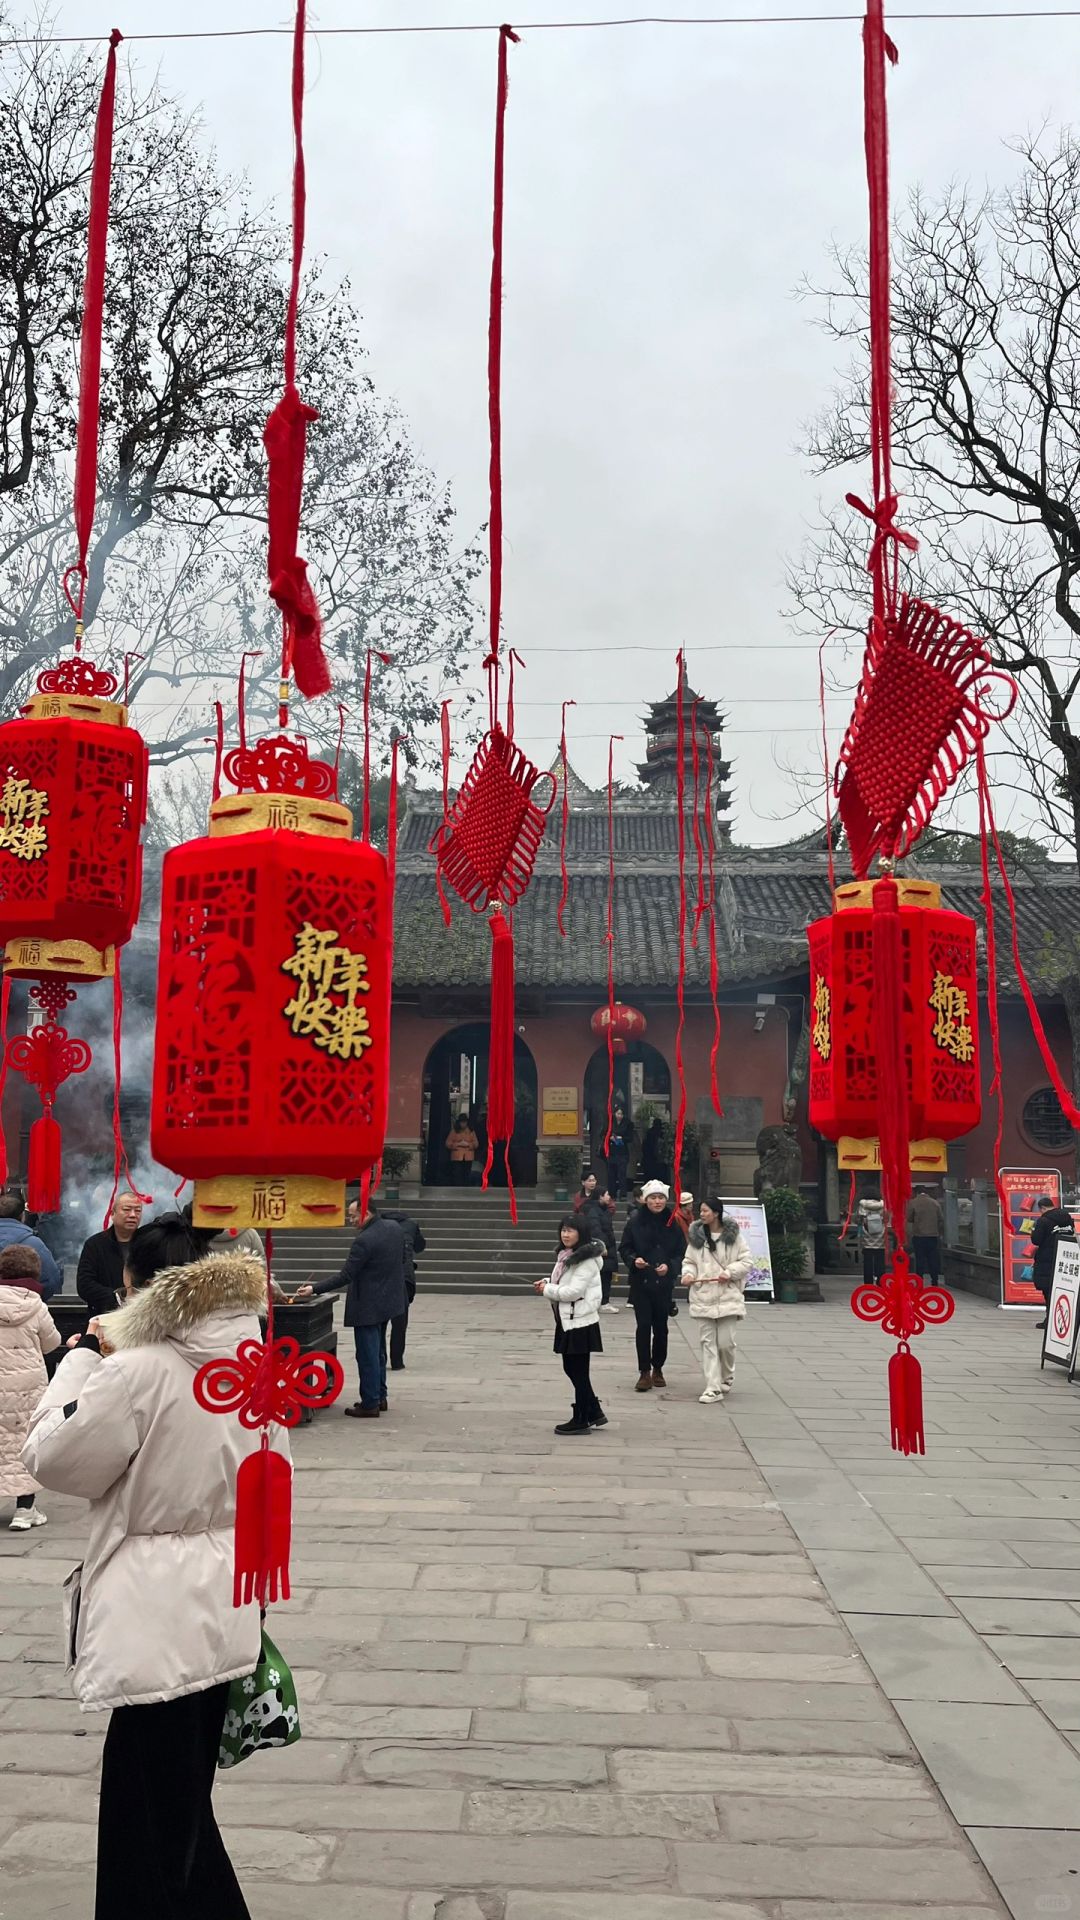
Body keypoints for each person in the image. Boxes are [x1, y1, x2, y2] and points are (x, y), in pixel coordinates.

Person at [23, 1212, 277, 1919]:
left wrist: (79, 1360)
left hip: (152, 1616)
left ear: (136, 1287)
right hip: (226, 1602)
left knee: (141, 1816)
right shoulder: (251, 1362)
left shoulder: (133, 1371)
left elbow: (51, 1458)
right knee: (178, 1798)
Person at [297, 1203, 407, 1418]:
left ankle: (370, 1403)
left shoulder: (364, 1241)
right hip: (388, 1300)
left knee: (367, 1355)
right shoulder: (394, 1228)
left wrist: (314, 1288)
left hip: (367, 1304)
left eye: (353, 1216)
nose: (350, 1221)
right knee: (378, 1352)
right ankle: (379, 1396)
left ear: (366, 1213)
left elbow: (345, 1276)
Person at [0, 1245, 60, 1529]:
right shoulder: (36, 1305)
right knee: (23, 1441)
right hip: (26, 1388)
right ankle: (25, 1510)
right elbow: (51, 1343)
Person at [534, 1217, 606, 1434]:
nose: (566, 1235)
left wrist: (548, 1289)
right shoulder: (566, 1256)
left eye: (571, 1231)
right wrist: (548, 1281)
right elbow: (563, 1282)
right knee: (574, 1369)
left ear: (581, 1233)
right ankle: (593, 1410)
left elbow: (572, 1292)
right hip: (568, 1318)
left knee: (577, 1370)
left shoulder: (585, 1260)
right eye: (563, 1230)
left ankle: (582, 1417)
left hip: (579, 1321)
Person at [682, 1197, 752, 1404]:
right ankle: (712, 1387)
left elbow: (747, 1261)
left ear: (716, 1213)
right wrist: (687, 1274)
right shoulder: (696, 1237)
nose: (701, 1214)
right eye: (700, 1211)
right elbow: (689, 1261)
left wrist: (730, 1272)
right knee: (707, 1343)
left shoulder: (734, 1237)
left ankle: (726, 1376)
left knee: (726, 1343)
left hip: (728, 1294)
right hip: (703, 1294)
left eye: (705, 1211)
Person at [620, 1179, 686, 1391]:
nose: (657, 1202)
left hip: (664, 1283)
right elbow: (625, 1248)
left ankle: (658, 1367)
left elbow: (680, 1252)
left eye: (660, 1198)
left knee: (661, 1328)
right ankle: (644, 1371)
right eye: (653, 1198)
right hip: (641, 1282)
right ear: (645, 1200)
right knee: (643, 1327)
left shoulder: (672, 1223)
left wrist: (670, 1266)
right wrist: (633, 1260)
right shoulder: (635, 1221)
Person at [76, 1190, 144, 1317]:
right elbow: (84, 1285)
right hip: (104, 1316)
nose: (133, 1215)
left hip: (141, 1317)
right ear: (112, 1214)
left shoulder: (148, 1243)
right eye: (127, 1209)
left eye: (138, 1211)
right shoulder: (95, 1244)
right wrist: (118, 1297)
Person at [381, 1204, 426, 1369]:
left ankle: (381, 1359)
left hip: (382, 1278)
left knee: (380, 1322)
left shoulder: (379, 1224)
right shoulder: (411, 1224)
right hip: (404, 1278)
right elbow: (420, 1246)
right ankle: (397, 1361)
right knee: (400, 1322)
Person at [0, 1188, 62, 1301]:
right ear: (22, 1216)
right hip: (25, 1310)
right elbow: (51, 1280)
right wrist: (32, 1301)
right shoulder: (34, 1244)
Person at [1031, 1195, 1078, 1329]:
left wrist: (1032, 1230)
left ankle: (1050, 1319)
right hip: (1065, 1257)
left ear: (1043, 1208)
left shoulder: (1043, 1220)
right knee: (1062, 1290)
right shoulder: (1067, 1217)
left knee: (1048, 1290)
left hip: (1047, 1259)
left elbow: (1036, 1240)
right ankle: (1063, 1318)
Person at [574, 1173, 619, 1312]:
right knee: (602, 1276)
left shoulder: (601, 1209)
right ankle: (602, 1302)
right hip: (602, 1249)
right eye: (606, 1195)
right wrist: (602, 1245)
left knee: (605, 1275)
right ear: (600, 1196)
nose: (609, 1197)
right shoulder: (593, 1210)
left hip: (607, 1247)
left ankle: (602, 1301)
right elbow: (596, 1230)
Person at [906, 1186, 944, 1284]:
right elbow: (941, 1218)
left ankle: (919, 1281)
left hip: (919, 1236)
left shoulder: (913, 1202)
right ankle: (934, 1280)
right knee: (933, 1259)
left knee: (920, 1259)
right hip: (933, 1236)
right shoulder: (935, 1203)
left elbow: (909, 1218)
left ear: (916, 1192)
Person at [857, 1193, 887, 1285]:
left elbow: (858, 1219)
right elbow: (886, 1217)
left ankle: (868, 1282)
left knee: (867, 1261)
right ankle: (880, 1281)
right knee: (880, 1261)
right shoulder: (882, 1205)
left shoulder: (863, 1205)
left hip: (867, 1235)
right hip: (880, 1235)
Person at [606, 1104, 634, 1200]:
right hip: (612, 1151)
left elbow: (630, 1138)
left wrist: (622, 1138)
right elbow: (603, 1134)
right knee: (611, 1174)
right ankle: (612, 1194)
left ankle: (623, 1194)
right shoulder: (610, 1122)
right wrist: (610, 1138)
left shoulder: (628, 1123)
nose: (619, 1116)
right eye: (618, 1113)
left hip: (622, 1152)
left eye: (621, 1114)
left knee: (622, 1174)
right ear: (614, 1114)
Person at [445, 1114, 479, 1185]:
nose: (463, 1124)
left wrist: (468, 1144)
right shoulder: (454, 1131)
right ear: (459, 1122)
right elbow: (448, 1143)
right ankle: (458, 1188)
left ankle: (466, 1188)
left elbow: (476, 1144)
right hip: (457, 1156)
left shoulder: (471, 1131)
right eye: (462, 1122)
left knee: (467, 1174)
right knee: (457, 1174)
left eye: (465, 1122)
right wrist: (458, 1144)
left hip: (468, 1156)